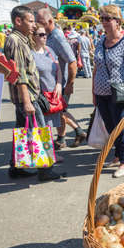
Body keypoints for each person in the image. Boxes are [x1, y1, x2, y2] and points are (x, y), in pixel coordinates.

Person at [4, 6, 61, 182]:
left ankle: (16, 166)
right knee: (40, 131)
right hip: (27, 97)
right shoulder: (16, 41)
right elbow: (19, 74)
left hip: (26, 96)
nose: (33, 25)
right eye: (30, 21)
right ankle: (46, 170)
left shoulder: (21, 39)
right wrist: (27, 101)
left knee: (22, 130)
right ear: (18, 21)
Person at [92, 5, 124, 178]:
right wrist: (93, 92)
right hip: (101, 92)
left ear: (118, 21)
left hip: (119, 91)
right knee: (111, 127)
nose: (103, 22)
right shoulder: (100, 42)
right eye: (102, 18)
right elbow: (96, 68)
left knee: (121, 127)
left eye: (107, 19)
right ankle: (118, 154)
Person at [36, 8, 87, 149]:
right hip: (53, 83)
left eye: (40, 22)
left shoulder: (57, 36)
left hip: (61, 83)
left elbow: (72, 61)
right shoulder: (48, 35)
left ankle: (78, 131)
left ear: (50, 21)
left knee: (59, 111)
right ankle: (62, 138)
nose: (37, 25)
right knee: (58, 112)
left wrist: (70, 83)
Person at [30, 23, 64, 147]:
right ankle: (47, 154)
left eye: (46, 34)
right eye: (41, 35)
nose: (45, 37)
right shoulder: (30, 54)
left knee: (52, 124)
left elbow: (58, 68)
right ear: (33, 36)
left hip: (53, 94)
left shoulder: (49, 50)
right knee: (43, 126)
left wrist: (59, 84)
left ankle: (48, 152)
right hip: (41, 96)